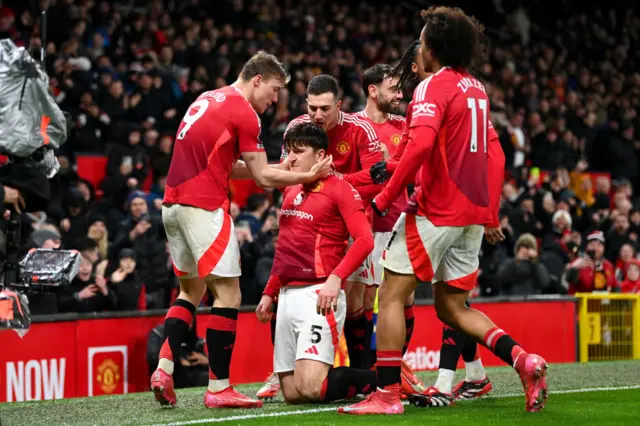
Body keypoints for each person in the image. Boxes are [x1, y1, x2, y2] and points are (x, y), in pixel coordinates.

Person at [340, 7, 546, 415]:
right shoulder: (477, 89)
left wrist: (384, 198)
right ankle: (525, 360)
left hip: (436, 210)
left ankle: (386, 396)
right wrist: (489, 212)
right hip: (471, 216)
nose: (417, 46)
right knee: (453, 307)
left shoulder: (432, 87)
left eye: (420, 40)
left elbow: (417, 148)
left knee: (391, 296)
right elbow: (497, 155)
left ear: (432, 48)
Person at [150, 51, 332, 409]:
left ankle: (163, 367)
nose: (275, 99)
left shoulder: (208, 98)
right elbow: (264, 178)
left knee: (190, 290)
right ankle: (219, 388)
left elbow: (234, 167)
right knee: (229, 295)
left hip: (172, 205)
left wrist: (282, 166)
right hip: (203, 206)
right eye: (275, 89)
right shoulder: (245, 112)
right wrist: (306, 176)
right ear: (258, 79)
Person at [255, 122, 411, 404]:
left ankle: (389, 379)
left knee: (311, 388)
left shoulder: (340, 188)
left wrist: (336, 277)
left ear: (320, 156)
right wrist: (269, 291)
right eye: (289, 151)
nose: (290, 158)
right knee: (293, 394)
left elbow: (364, 239)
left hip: (319, 295)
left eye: (298, 152)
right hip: (288, 296)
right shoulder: (290, 190)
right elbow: (287, 246)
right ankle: (380, 379)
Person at [284, 74, 383, 369]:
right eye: (313, 107)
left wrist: (338, 179)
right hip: (307, 224)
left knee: (354, 301)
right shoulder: (296, 128)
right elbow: (284, 176)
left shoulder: (360, 129)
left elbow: (378, 178)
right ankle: (283, 373)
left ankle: (360, 372)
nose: (317, 115)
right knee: (292, 293)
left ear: (338, 105)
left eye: (325, 108)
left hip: (351, 226)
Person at [354, 64, 421, 377]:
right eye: (394, 89)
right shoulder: (353, 127)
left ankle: (393, 366)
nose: (400, 95)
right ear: (372, 90)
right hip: (363, 226)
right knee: (366, 299)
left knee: (404, 297)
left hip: (399, 223)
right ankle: (370, 371)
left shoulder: (406, 125)